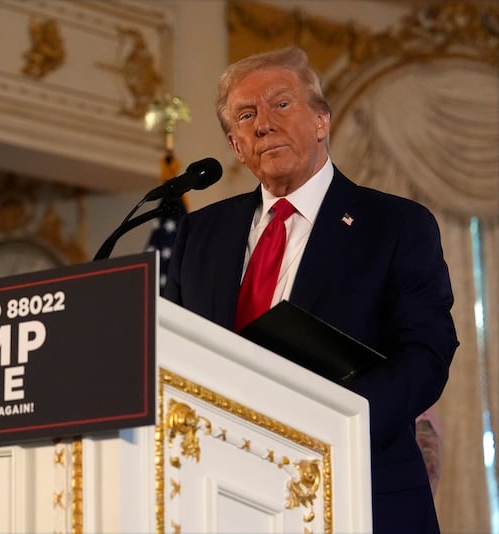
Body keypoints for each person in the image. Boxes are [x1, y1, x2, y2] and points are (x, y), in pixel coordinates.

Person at [163, 46, 459, 534]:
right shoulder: (199, 234)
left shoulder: (395, 225)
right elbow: (175, 356)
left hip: (356, 488)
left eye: (281, 104)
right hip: (223, 495)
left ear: (322, 121)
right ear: (237, 146)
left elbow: (426, 353)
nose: (264, 123)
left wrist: (329, 428)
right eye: (245, 115)